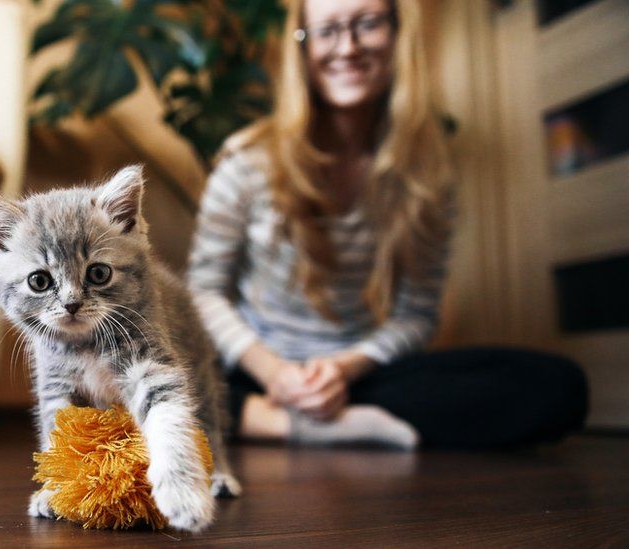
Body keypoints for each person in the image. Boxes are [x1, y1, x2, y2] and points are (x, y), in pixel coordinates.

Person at [187, 0, 587, 450]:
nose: (348, 47)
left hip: (357, 377)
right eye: (327, 31)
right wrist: (276, 374)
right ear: (302, 49)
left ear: (397, 34)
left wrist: (341, 370)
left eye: (367, 24)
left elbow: (416, 315)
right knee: (139, 373)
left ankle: (294, 418)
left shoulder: (428, 176)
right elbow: (203, 292)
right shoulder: (247, 162)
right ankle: (280, 421)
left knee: (559, 386)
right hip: (254, 370)